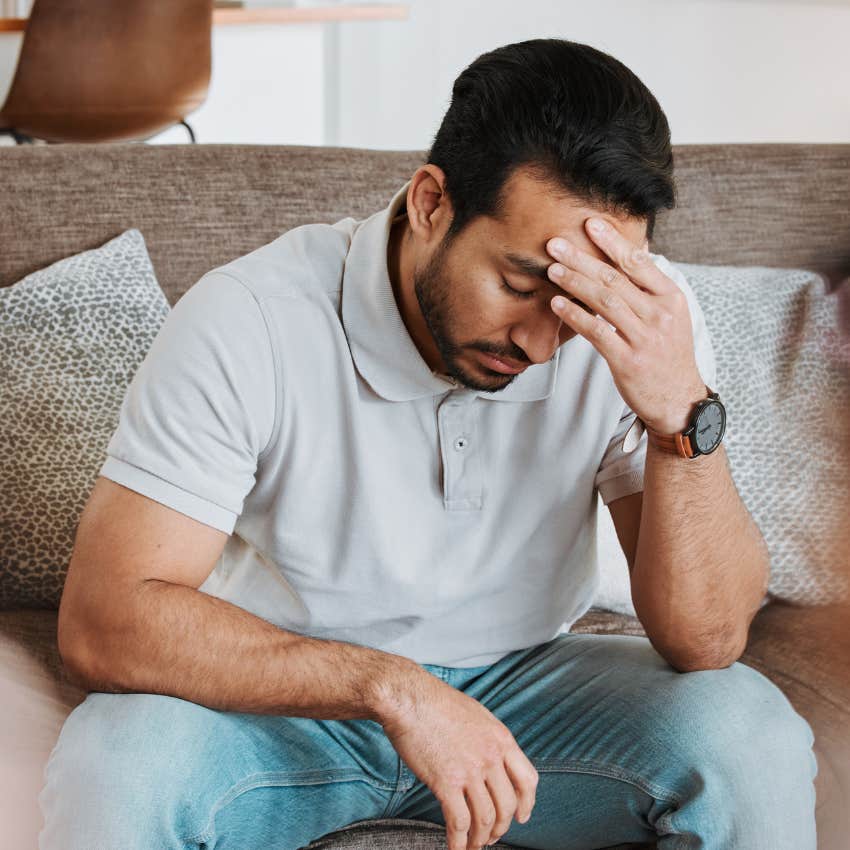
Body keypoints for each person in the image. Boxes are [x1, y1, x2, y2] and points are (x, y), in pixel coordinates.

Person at [41, 38, 817, 850]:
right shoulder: (252, 316)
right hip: (277, 708)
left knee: (749, 737)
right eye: (520, 284)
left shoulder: (635, 329)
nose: (544, 343)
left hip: (530, 698)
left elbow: (710, 639)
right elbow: (104, 619)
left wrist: (680, 415)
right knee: (115, 764)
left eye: (576, 304)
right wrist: (391, 689)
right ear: (430, 202)